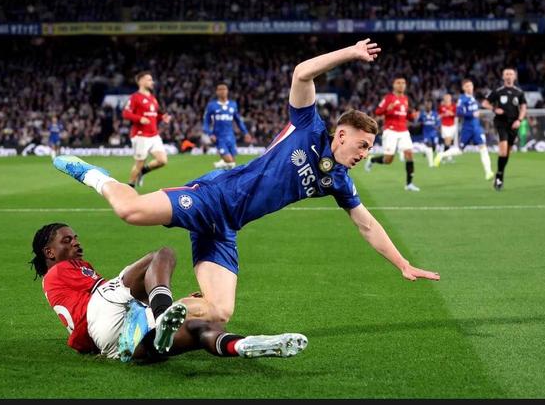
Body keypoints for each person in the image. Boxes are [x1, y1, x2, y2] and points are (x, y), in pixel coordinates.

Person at [53, 38, 440, 325]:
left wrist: (402, 263)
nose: (365, 153)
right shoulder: (308, 126)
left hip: (227, 227)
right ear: (341, 134)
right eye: (362, 145)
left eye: (369, 148)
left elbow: (366, 224)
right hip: (215, 196)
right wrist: (350, 53)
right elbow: (302, 72)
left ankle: (148, 320)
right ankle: (92, 174)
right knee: (130, 211)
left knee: (219, 310)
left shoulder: (338, 181)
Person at [30, 223, 307, 363]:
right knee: (162, 256)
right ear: (49, 252)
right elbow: (120, 295)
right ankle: (162, 314)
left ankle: (244, 345)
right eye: (67, 240)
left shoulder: (57, 281)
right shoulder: (60, 271)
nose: (76, 244)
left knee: (203, 328)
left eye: (76, 239)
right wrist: (161, 305)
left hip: (113, 345)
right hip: (105, 317)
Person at [363, 76, 421, 191]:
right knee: (388, 160)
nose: (401, 85)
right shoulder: (388, 98)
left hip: (403, 131)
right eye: (398, 83)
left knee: (409, 154)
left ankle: (409, 184)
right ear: (394, 85)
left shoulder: (405, 99)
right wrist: (387, 109)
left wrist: (412, 116)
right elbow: (377, 111)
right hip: (391, 131)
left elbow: (406, 115)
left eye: (403, 83)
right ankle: (372, 160)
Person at [434, 79, 494, 181]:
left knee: (483, 148)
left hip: (476, 128)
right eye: (467, 86)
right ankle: (441, 154)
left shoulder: (473, 98)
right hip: (467, 128)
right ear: (464, 88)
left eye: (471, 85)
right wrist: (472, 114)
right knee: (459, 150)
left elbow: (475, 111)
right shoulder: (462, 99)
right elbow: (458, 112)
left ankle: (488, 172)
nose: (470, 87)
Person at [122, 71, 172, 189]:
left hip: (154, 135)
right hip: (141, 136)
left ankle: (143, 172)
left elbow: (154, 116)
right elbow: (126, 113)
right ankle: (130, 187)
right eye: (149, 79)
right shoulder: (135, 97)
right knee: (139, 164)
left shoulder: (153, 98)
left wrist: (162, 117)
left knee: (162, 160)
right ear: (141, 81)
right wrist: (140, 118)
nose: (152, 82)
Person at [481, 68, 527, 191]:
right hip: (501, 122)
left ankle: (499, 173)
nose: (509, 76)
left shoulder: (519, 92)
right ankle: (499, 177)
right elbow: (484, 103)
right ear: (503, 77)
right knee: (502, 151)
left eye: (511, 74)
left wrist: (519, 120)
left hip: (514, 124)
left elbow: (523, 108)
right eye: (506, 74)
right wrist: (494, 109)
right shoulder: (498, 91)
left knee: (507, 153)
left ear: (514, 77)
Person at [203, 83, 252, 170]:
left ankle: (221, 166)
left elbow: (238, 121)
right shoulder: (212, 105)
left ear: (227, 91)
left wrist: (245, 133)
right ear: (217, 92)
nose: (222, 91)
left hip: (231, 137)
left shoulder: (233, 105)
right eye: (220, 89)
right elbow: (206, 122)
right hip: (219, 137)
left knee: (232, 163)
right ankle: (220, 165)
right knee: (229, 161)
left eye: (224, 89)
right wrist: (210, 134)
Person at [418, 100, 440, 168]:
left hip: (434, 132)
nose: (428, 106)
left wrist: (437, 127)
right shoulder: (422, 114)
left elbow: (438, 122)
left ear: (431, 106)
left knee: (434, 146)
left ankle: (427, 152)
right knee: (429, 145)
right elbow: (419, 122)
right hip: (426, 133)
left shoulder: (435, 113)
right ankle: (431, 163)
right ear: (425, 106)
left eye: (429, 105)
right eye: (427, 105)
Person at [438, 93, 457, 163]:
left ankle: (443, 156)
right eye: (446, 98)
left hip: (452, 125)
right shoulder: (441, 107)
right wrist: (443, 114)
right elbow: (438, 115)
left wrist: (451, 113)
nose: (447, 99)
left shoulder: (453, 106)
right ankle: (447, 157)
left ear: (450, 98)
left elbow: (456, 114)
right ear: (444, 99)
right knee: (447, 140)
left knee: (449, 142)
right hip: (445, 125)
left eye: (448, 98)